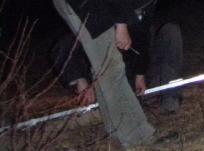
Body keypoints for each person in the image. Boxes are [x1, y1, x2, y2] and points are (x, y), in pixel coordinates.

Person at [51, 0, 204, 148]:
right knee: (111, 66)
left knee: (105, 68)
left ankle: (117, 131)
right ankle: (139, 138)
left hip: (91, 0)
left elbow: (143, 27)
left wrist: (140, 72)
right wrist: (121, 25)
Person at [51, 20, 183, 113]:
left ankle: (169, 101)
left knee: (170, 31)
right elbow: (63, 46)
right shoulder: (93, 25)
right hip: (113, 89)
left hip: (145, 79)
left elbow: (145, 47)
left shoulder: (136, 20)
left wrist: (140, 72)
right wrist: (80, 80)